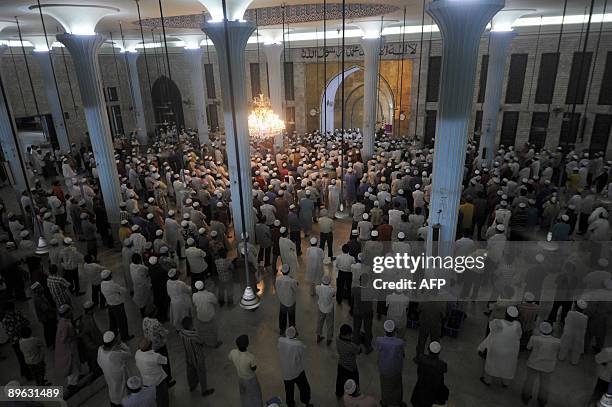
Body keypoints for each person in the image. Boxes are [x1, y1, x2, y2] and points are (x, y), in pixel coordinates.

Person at [478, 306, 522, 386]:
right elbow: (519, 336)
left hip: (497, 349)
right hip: (510, 351)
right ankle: (505, 383)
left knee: (492, 364)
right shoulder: (517, 325)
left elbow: (490, 327)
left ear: (505, 314)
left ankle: (487, 381)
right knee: (507, 366)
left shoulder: (497, 322)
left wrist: (493, 312)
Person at [521, 322, 560, 406]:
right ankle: (542, 400)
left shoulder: (534, 338)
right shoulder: (557, 341)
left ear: (540, 330)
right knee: (545, 384)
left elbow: (528, 348)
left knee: (529, 380)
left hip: (533, 363)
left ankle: (526, 397)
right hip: (548, 366)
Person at [178, 317, 215, 397]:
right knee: (201, 373)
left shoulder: (181, 332)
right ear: (191, 325)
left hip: (188, 356)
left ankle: (192, 385)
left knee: (190, 371)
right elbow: (201, 341)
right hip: (197, 358)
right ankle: (204, 390)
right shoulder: (194, 335)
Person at [278, 326, 313, 407]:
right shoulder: (298, 344)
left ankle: (290, 404)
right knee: (304, 388)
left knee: (289, 390)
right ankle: (306, 402)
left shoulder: (281, 341)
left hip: (286, 371)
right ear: (295, 334)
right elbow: (303, 354)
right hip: (297, 370)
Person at [376, 320, 406, 407]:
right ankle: (397, 402)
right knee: (397, 386)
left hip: (384, 369)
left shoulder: (379, 340)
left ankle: (385, 402)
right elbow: (403, 354)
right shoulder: (399, 342)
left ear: (385, 330)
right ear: (394, 330)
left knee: (384, 387)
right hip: (396, 369)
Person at [142, 305, 175, 386]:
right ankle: (168, 380)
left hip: (150, 346)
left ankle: (160, 379)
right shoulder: (156, 323)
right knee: (164, 362)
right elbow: (163, 333)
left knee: (157, 364)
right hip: (159, 346)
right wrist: (168, 331)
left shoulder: (145, 320)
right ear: (154, 313)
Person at [98, 331, 131, 407]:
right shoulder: (114, 355)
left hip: (112, 394)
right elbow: (129, 353)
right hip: (123, 396)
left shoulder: (100, 351)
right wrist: (121, 344)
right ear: (114, 342)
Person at [228, 334, 263, 407]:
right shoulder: (250, 357)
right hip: (250, 379)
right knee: (256, 395)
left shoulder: (233, 352)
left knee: (244, 395)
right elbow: (254, 368)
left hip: (240, 378)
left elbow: (230, 358)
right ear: (247, 344)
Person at [410, 341, 448, 407]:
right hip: (431, 395)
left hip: (419, 392)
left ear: (429, 350)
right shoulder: (441, 365)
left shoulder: (422, 358)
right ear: (438, 352)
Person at [135, 337, 170, 407]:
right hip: (159, 382)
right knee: (163, 399)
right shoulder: (155, 356)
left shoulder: (137, 353)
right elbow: (165, 361)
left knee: (154, 401)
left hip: (146, 383)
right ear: (150, 346)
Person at [55, 304, 81, 390]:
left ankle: (73, 381)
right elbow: (64, 339)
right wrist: (75, 335)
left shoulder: (62, 322)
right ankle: (73, 384)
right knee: (73, 366)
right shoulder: (65, 324)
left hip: (69, 347)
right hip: (69, 349)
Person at [100, 270, 132, 341]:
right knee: (122, 321)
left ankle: (114, 332)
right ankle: (124, 336)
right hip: (117, 305)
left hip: (110, 304)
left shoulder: (102, 284)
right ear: (109, 277)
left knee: (113, 320)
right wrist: (126, 289)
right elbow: (122, 290)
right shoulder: (112, 285)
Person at [2, 302, 30, 380]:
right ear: (6, 311)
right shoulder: (5, 320)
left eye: (12, 309)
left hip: (23, 339)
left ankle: (24, 371)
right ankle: (27, 374)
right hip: (16, 342)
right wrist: (20, 326)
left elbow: (26, 321)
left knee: (26, 356)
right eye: (9, 310)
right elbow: (10, 333)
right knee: (21, 358)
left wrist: (21, 325)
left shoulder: (17, 313)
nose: (12, 311)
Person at [192, 280, 222, 348]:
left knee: (201, 329)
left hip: (200, 316)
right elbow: (215, 302)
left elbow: (194, 304)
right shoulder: (210, 295)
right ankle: (214, 343)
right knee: (212, 330)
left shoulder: (194, 295)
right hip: (210, 316)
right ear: (204, 286)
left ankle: (201, 341)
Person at [559, 299, 589, 365]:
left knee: (565, 345)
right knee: (576, 348)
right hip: (579, 334)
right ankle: (574, 361)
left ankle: (561, 357)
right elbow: (584, 327)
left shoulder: (570, 313)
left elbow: (566, 320)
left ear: (575, 306)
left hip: (569, 332)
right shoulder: (585, 317)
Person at [336, 324, 361, 398]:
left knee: (340, 381)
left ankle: (339, 393)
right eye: (350, 334)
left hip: (341, 364)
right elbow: (359, 351)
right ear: (346, 335)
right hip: (351, 368)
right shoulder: (351, 346)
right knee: (354, 382)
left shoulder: (337, 339)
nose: (351, 336)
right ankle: (354, 394)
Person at [30, 282, 57, 348]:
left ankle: (50, 344)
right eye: (39, 287)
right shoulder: (38, 298)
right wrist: (53, 310)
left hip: (45, 317)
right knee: (51, 331)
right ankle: (53, 344)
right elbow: (45, 308)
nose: (42, 288)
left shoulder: (40, 295)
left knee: (47, 330)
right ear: (36, 290)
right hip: (47, 317)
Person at [352, 274, 374, 354]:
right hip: (367, 312)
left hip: (357, 311)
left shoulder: (355, 289)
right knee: (368, 329)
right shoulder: (371, 290)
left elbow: (352, 297)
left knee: (356, 328)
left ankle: (355, 345)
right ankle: (368, 346)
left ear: (359, 280)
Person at [276, 264, 298, 334]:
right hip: (291, 302)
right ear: (289, 271)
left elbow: (277, 288)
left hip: (282, 301)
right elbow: (295, 289)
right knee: (291, 317)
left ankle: (282, 329)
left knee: (282, 315)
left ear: (282, 271)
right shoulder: (292, 281)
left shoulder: (278, 279)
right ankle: (292, 330)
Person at [315, 274, 336, 345]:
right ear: (329, 282)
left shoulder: (318, 288)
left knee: (320, 322)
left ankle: (318, 336)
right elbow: (333, 295)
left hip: (321, 307)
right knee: (330, 324)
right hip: (329, 309)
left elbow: (317, 294)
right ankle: (329, 339)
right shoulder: (332, 290)